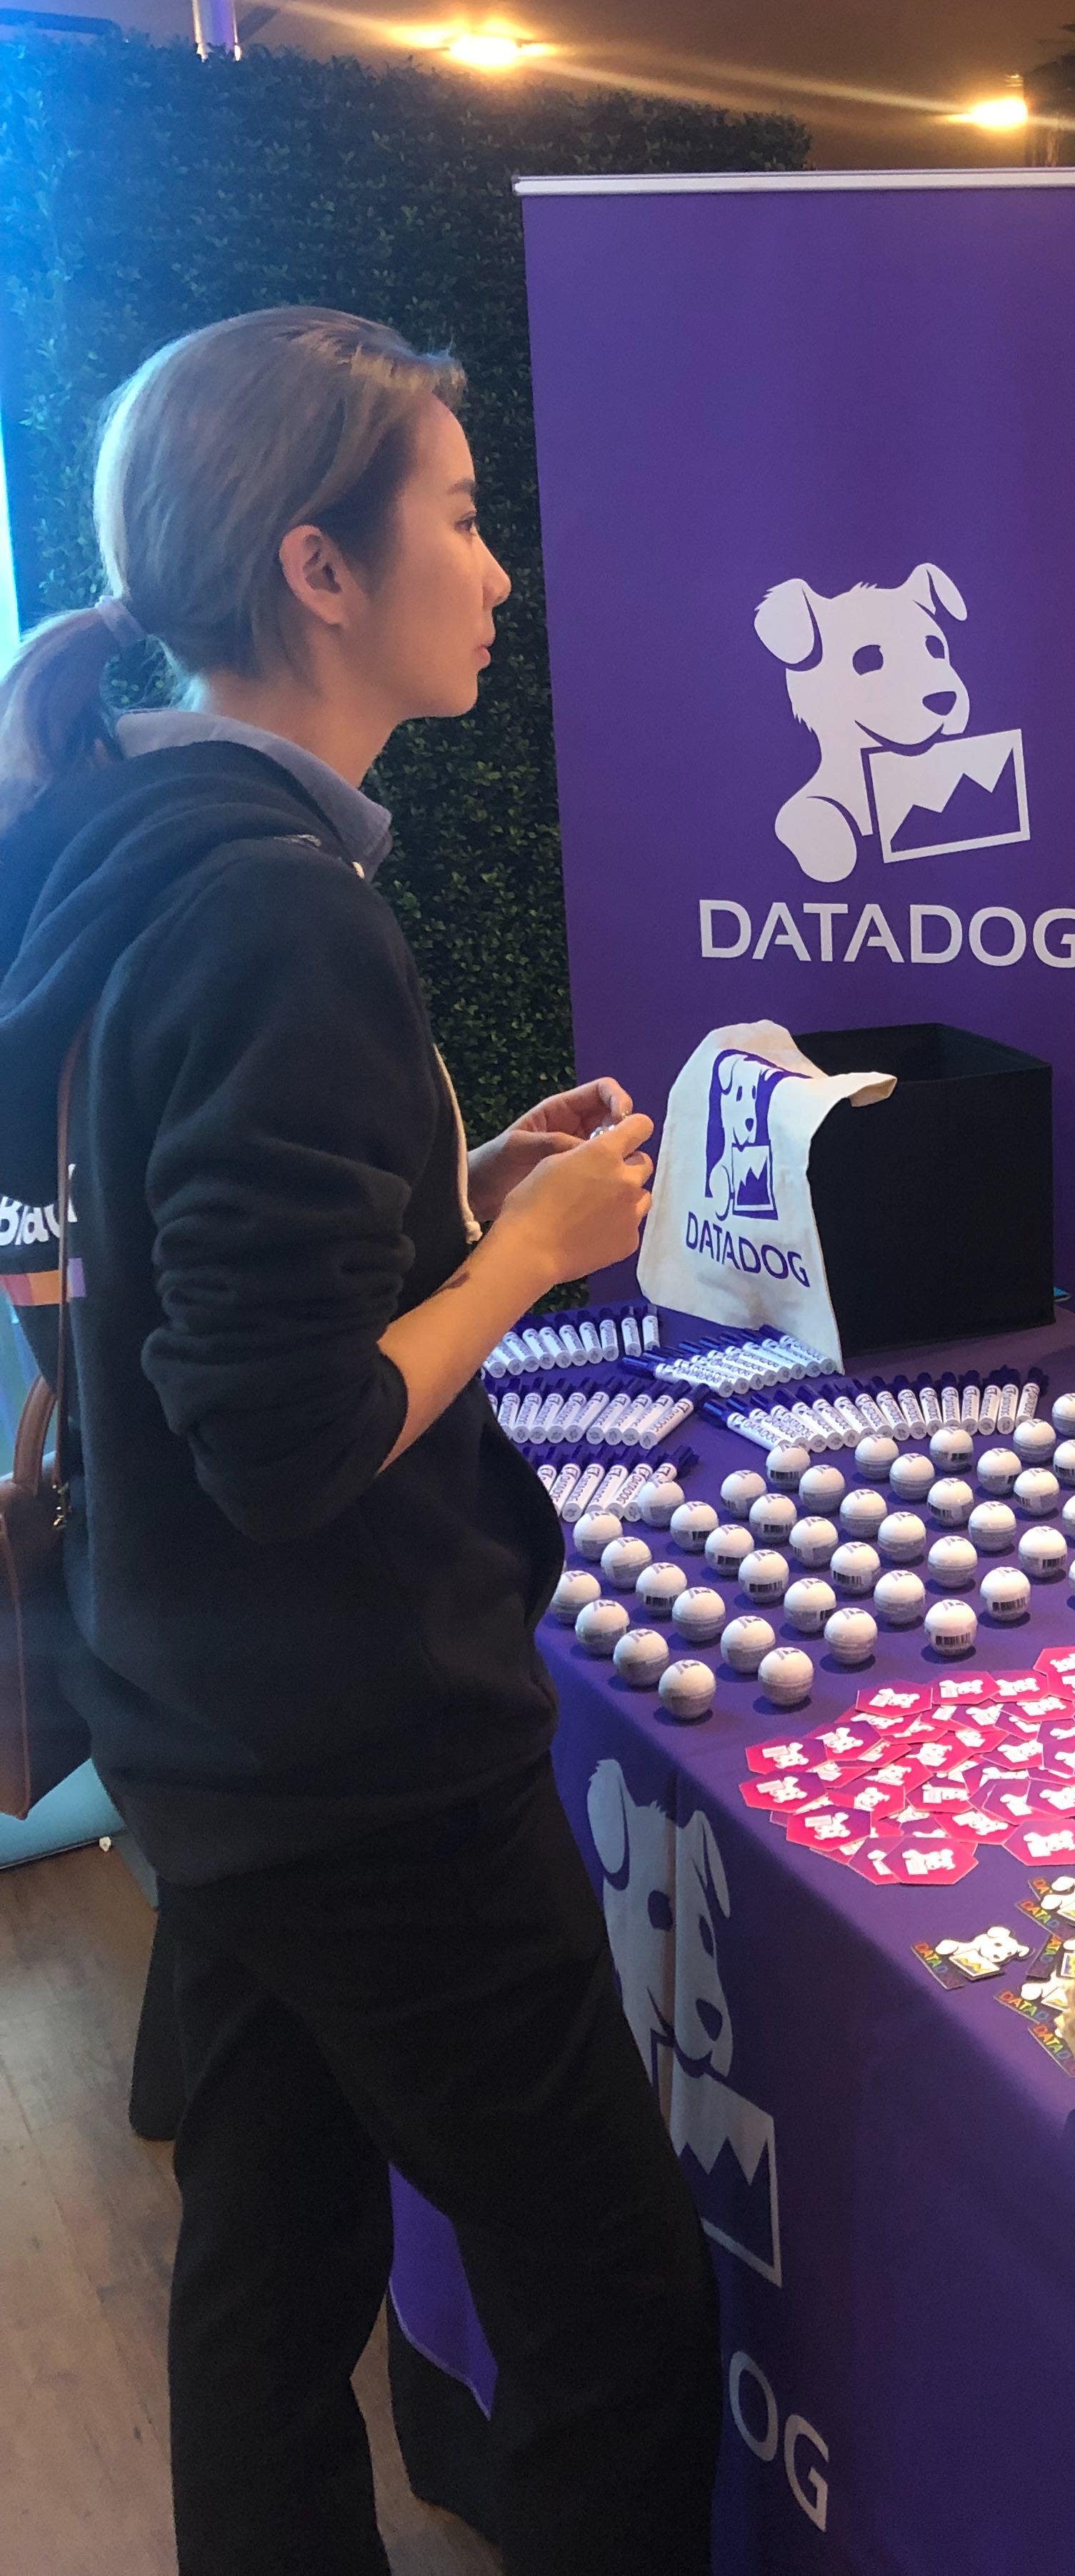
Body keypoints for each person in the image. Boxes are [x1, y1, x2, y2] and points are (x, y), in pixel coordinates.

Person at [0, 308, 721, 2575]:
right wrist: (522, 1264)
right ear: (321, 567)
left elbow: (194, 1288)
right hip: (358, 1756)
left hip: (202, 1716)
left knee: (273, 2262)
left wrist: (456, 1196)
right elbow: (292, 1433)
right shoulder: (273, 911)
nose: (500, 571)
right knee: (616, 2310)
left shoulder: (135, 849)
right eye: (464, 517)